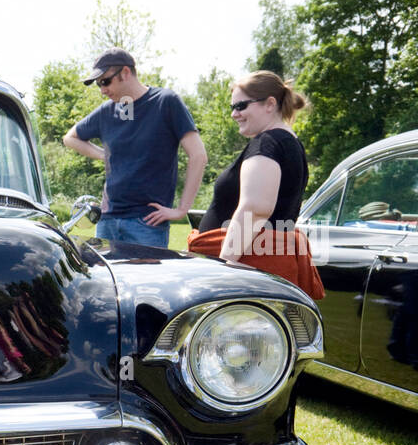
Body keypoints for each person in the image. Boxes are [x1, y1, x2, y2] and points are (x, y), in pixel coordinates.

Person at [187, 71, 324, 300]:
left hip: (245, 268)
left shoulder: (267, 142)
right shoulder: (289, 143)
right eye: (232, 107)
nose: (234, 114)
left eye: (240, 106)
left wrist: (223, 268)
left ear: (270, 104)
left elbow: (255, 209)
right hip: (255, 266)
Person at [63, 48, 207, 248]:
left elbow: (198, 155)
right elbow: (70, 138)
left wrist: (182, 209)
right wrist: (105, 155)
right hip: (107, 220)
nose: (102, 90)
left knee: (146, 281)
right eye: (98, 84)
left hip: (147, 224)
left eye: (105, 81)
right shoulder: (108, 111)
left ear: (125, 73)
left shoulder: (165, 102)